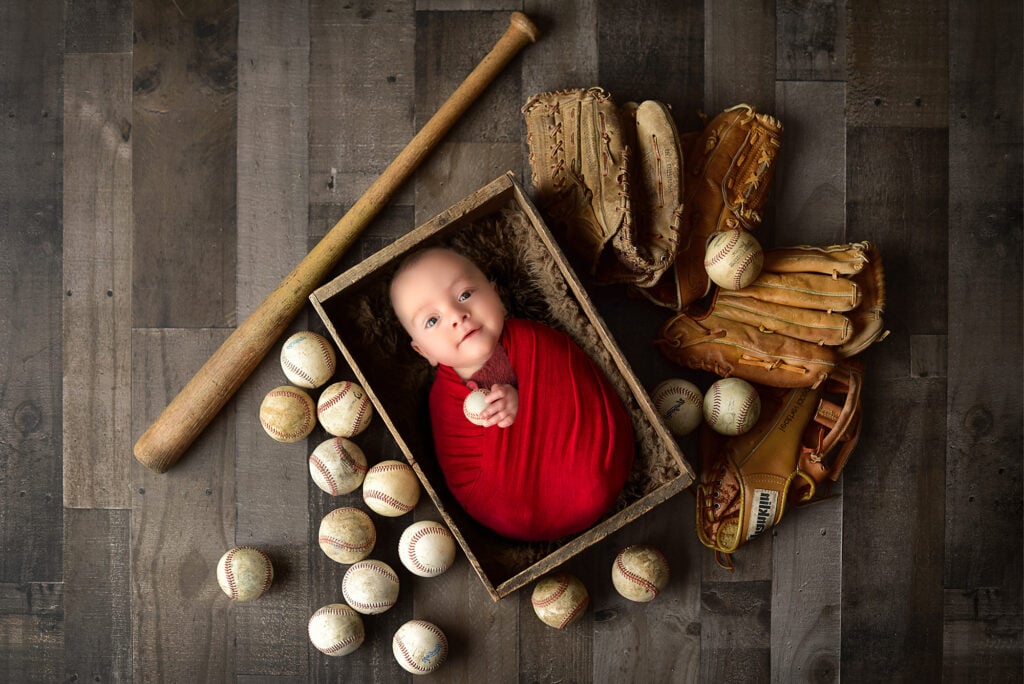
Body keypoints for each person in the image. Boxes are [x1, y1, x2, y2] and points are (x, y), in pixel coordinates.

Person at [389, 247, 634, 541]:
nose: (457, 315)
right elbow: (462, 468)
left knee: (593, 481)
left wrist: (526, 404)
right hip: (514, 505)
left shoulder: (536, 341)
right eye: (432, 320)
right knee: (508, 511)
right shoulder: (443, 401)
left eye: (465, 294)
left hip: (592, 464)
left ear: (497, 297)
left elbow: (571, 385)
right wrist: (501, 425)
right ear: (423, 351)